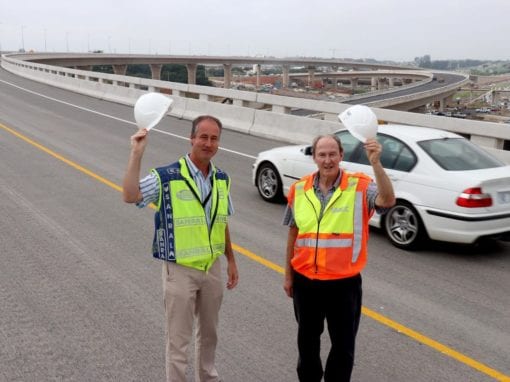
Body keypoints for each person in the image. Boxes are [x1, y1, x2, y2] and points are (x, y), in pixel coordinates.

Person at [122, 115, 239, 382]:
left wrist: (231, 260)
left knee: (209, 336)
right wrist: (136, 154)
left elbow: (221, 221)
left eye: (214, 138)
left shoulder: (222, 178)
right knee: (179, 341)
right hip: (180, 270)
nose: (208, 143)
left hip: (212, 268)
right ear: (192, 139)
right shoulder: (167, 176)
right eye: (203, 137)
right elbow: (130, 195)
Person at [283, 134, 395, 382]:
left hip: (343, 285)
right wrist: (288, 275)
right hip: (306, 282)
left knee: (343, 348)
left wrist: (376, 163)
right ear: (314, 158)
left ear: (341, 156)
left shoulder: (360, 186)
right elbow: (293, 232)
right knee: (307, 344)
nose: (327, 160)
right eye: (322, 154)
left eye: (332, 154)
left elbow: (387, 200)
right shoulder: (298, 189)